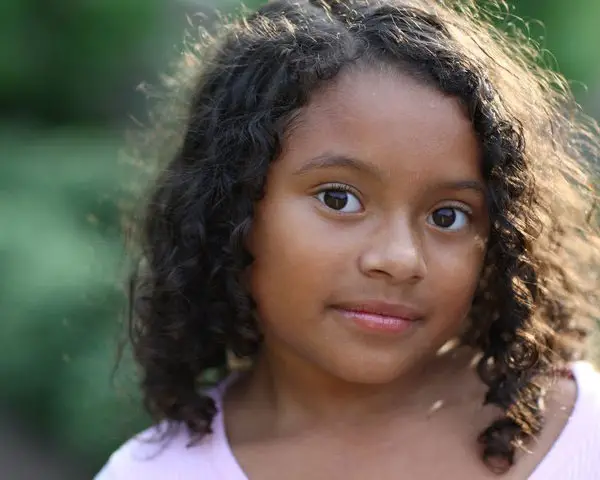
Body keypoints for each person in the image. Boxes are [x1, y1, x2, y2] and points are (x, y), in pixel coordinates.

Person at [96, 0, 600, 478]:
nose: (400, 259)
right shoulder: (152, 473)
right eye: (339, 199)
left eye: (448, 216)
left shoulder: (581, 435)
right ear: (232, 207)